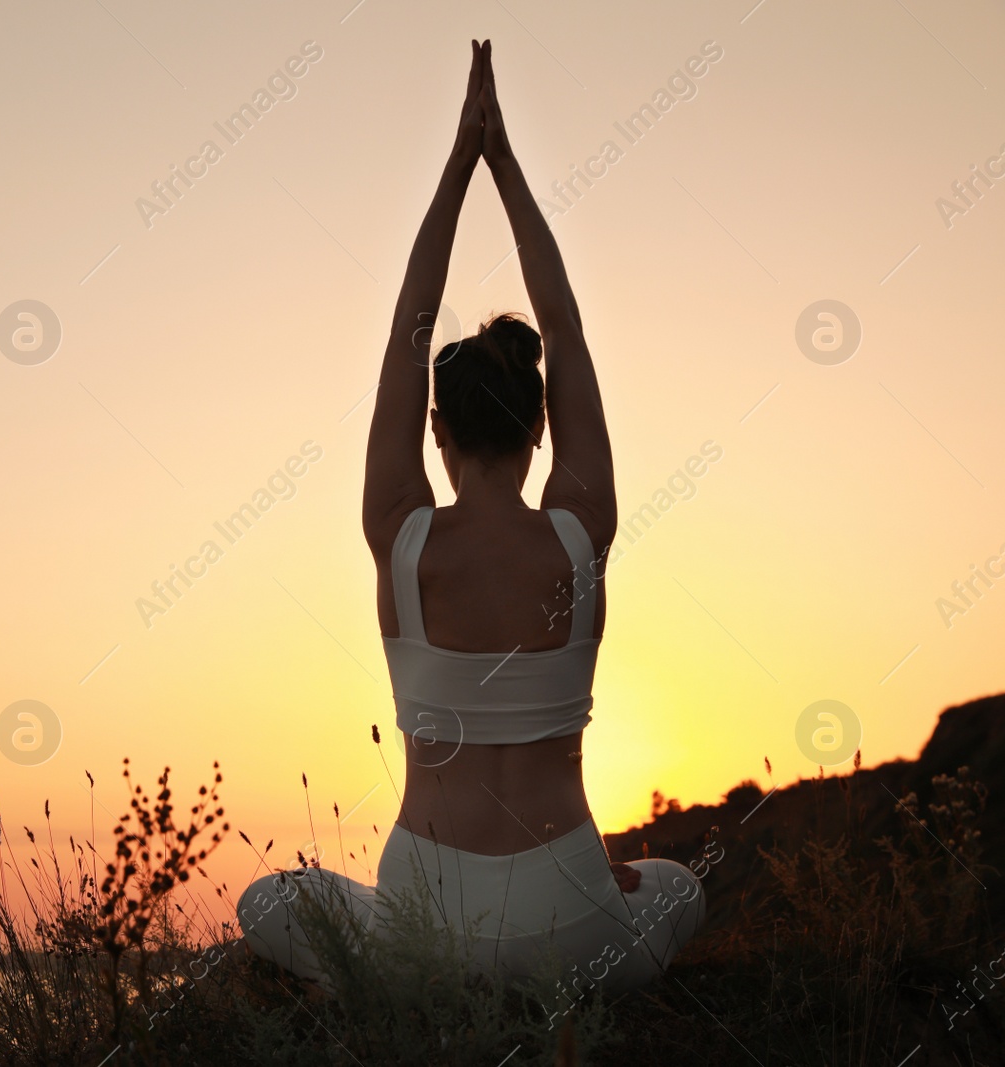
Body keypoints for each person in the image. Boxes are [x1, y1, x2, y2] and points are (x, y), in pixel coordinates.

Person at [238, 39, 704, 999]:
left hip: (425, 929)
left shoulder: (400, 535)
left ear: (435, 427)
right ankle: (563, 959)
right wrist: (508, 167)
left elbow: (409, 324)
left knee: (267, 901)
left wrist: (458, 164)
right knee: (677, 887)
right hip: (573, 926)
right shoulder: (581, 531)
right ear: (542, 424)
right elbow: (564, 327)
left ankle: (400, 992)